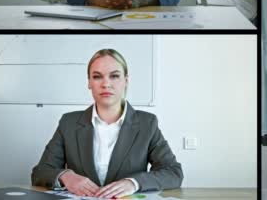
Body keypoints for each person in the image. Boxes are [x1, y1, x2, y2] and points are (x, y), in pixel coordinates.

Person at [31, 49, 183, 197]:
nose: (106, 84)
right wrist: (65, 175)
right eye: (97, 77)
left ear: (126, 81)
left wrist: (133, 183)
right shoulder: (68, 123)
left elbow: (173, 172)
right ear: (89, 82)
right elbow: (40, 172)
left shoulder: (147, 123)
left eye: (114, 76)